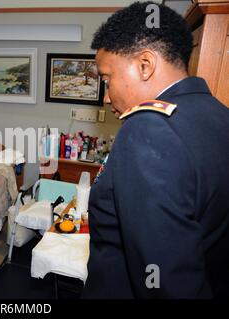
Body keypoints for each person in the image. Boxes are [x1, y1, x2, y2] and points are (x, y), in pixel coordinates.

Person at [83, 1, 229, 298]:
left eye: (107, 80)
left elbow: (166, 283)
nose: (107, 97)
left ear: (145, 65)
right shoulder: (219, 115)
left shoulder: (148, 130)